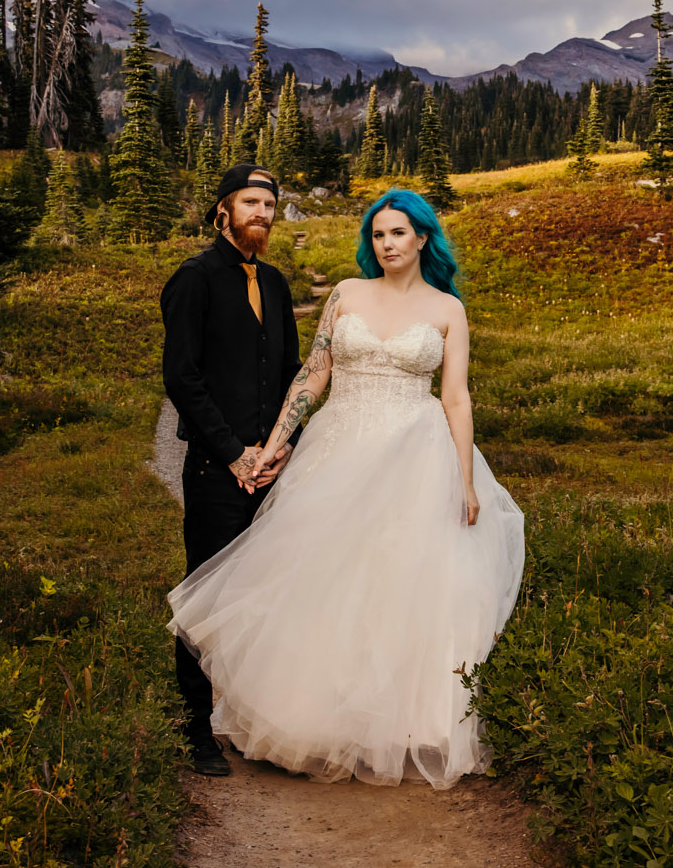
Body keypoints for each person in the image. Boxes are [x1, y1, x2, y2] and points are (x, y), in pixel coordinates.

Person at [166, 188, 524, 789]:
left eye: (397, 234)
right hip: (338, 447)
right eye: (378, 235)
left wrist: (465, 479)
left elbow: (456, 397)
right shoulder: (347, 294)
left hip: (415, 455)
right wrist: (277, 442)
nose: (385, 245)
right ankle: (310, 721)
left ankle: (393, 728)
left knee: (398, 586)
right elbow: (315, 372)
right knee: (320, 578)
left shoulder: (447, 310)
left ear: (423, 239)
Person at [161, 164, 303, 777]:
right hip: (218, 469)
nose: (262, 214)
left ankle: (250, 716)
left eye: (270, 205)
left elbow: (293, 371)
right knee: (205, 595)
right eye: (251, 203)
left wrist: (282, 445)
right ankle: (192, 729)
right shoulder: (194, 279)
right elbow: (182, 379)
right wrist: (233, 452)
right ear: (223, 209)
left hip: (273, 469)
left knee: (267, 594)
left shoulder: (273, 282)